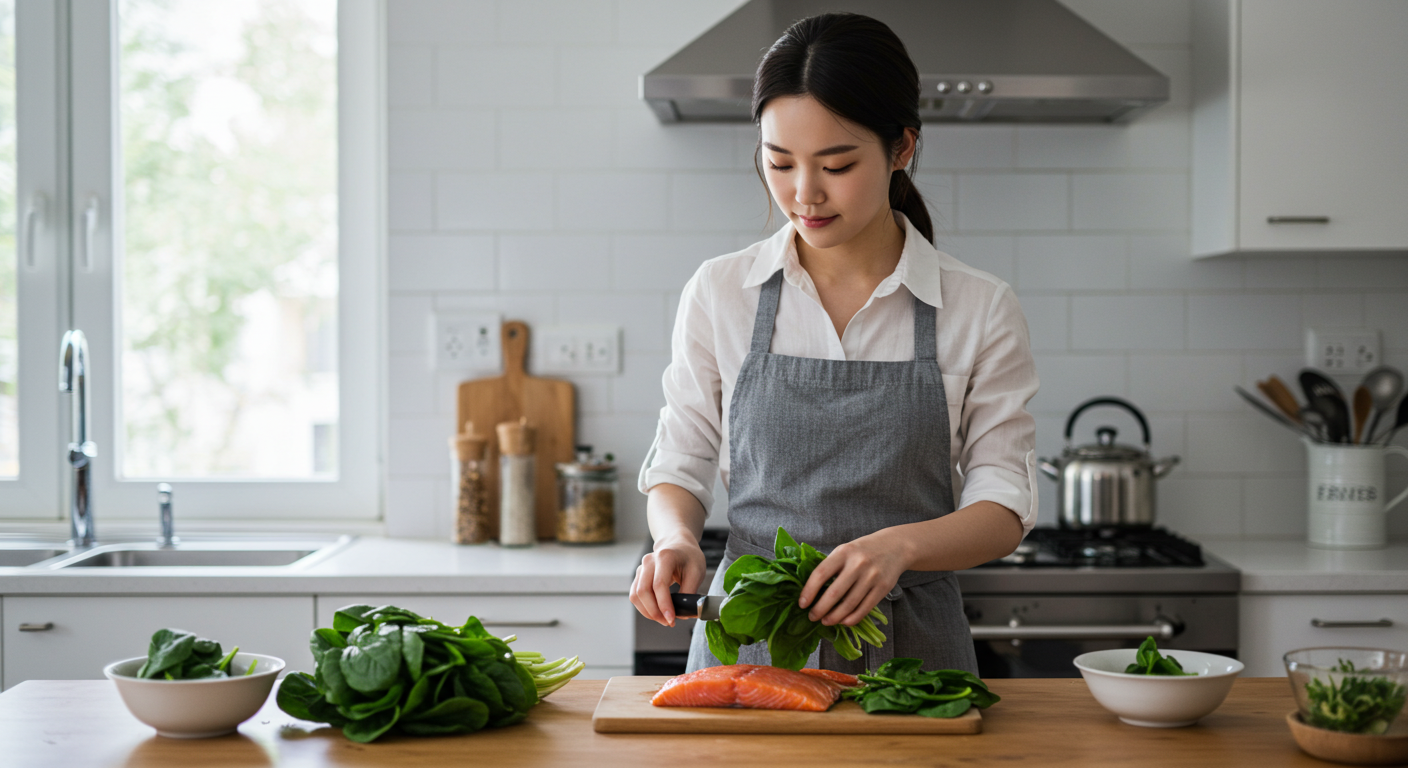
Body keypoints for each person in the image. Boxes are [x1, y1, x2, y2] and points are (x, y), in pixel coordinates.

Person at [630, 12, 1039, 675]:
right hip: (752, 647)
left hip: (914, 658)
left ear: (901, 148)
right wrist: (675, 535)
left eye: (837, 164)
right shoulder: (720, 291)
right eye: (779, 162)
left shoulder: (977, 305)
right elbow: (681, 459)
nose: (804, 193)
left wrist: (900, 549)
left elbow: (1004, 504)